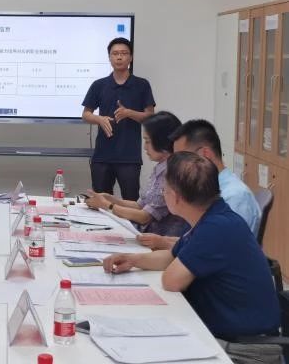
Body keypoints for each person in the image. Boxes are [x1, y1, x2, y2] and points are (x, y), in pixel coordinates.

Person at [103, 152, 280, 361]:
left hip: (246, 349)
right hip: (225, 334)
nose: (163, 193)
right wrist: (133, 260)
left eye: (164, 189)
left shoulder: (216, 227)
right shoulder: (212, 214)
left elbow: (171, 281)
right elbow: (171, 256)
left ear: (176, 197)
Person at [138, 119, 261, 250]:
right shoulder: (203, 188)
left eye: (182, 158)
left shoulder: (234, 196)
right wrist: (163, 242)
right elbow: (196, 240)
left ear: (204, 155)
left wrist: (165, 245)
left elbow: (215, 248)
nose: (176, 165)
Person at [86, 111, 187, 237]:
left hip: (159, 239)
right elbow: (139, 206)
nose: (144, 147)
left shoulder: (172, 172)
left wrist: (107, 206)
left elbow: (144, 217)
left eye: (147, 141)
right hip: (146, 235)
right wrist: (110, 199)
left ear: (162, 141)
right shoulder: (161, 167)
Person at [82, 37, 155, 201]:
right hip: (102, 156)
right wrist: (99, 119)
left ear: (131, 57)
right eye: (115, 54)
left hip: (129, 157)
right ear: (109, 57)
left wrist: (129, 113)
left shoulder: (142, 85)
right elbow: (86, 114)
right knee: (100, 202)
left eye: (124, 53)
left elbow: (151, 117)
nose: (119, 57)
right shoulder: (99, 85)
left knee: (130, 201)